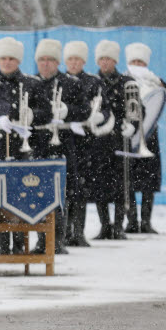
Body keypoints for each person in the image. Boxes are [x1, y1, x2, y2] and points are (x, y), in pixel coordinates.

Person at [0, 37, 51, 254]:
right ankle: (5, 245)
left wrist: (29, 116)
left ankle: (26, 242)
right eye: (3, 58)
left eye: (11, 58)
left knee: (27, 196)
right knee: (0, 199)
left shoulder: (33, 84)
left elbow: (47, 112)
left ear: (18, 61)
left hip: (27, 150)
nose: (7, 62)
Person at [32, 38, 82, 255]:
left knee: (62, 193)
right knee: (37, 192)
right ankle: (41, 239)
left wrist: (67, 110)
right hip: (36, 144)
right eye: (41, 60)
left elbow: (85, 110)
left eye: (50, 60)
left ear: (57, 62)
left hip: (63, 144)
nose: (45, 64)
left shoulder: (70, 83)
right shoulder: (30, 82)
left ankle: (58, 239)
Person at [123, 42, 166, 234]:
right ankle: (132, 221)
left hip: (150, 135)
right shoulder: (124, 79)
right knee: (129, 180)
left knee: (149, 180)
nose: (137, 65)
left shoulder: (153, 81)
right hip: (129, 134)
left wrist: (155, 80)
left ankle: (146, 221)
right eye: (134, 61)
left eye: (140, 62)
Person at [89, 40, 136, 241]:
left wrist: (132, 124)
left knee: (120, 185)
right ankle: (104, 225)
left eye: (108, 58)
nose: (105, 62)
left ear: (115, 60)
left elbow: (137, 108)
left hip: (118, 139)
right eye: (101, 58)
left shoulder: (126, 81)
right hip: (98, 140)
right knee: (99, 185)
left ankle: (118, 225)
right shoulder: (92, 81)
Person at [63, 41, 105, 247]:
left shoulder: (93, 82)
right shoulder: (60, 81)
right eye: (70, 59)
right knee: (67, 188)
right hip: (65, 140)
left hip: (86, 142)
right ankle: (65, 231)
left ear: (84, 61)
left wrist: (99, 116)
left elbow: (104, 107)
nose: (73, 63)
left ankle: (78, 232)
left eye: (77, 59)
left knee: (81, 188)